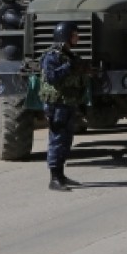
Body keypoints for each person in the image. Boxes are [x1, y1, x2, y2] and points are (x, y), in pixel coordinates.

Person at [38, 21, 87, 191]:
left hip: (68, 103)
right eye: (74, 34)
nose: (78, 37)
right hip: (57, 105)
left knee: (66, 141)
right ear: (65, 36)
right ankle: (54, 179)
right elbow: (52, 77)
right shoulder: (52, 56)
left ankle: (61, 175)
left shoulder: (68, 55)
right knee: (57, 140)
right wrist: (69, 67)